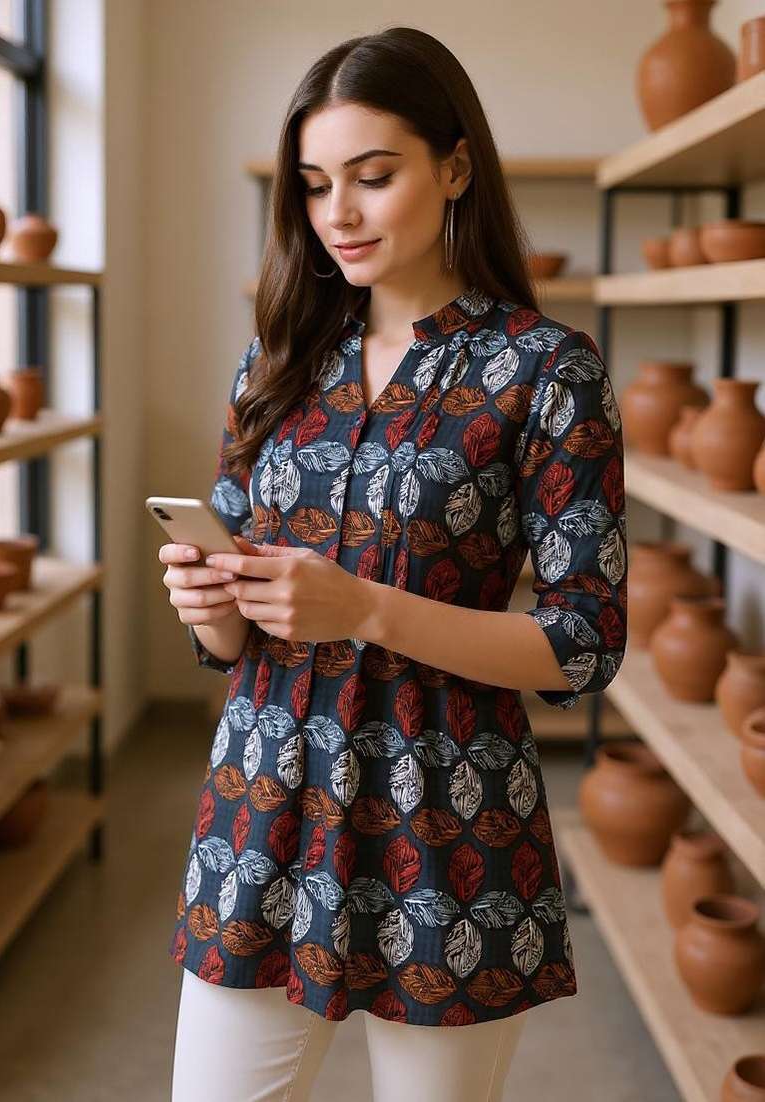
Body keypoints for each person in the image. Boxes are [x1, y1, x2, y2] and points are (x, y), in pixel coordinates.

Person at [162, 24, 628, 1102]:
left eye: (372, 177)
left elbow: (581, 644)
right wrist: (207, 602)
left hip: (449, 831)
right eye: (317, 184)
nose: (339, 213)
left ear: (454, 166)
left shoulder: (544, 372)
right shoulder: (275, 359)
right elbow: (230, 632)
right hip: (261, 815)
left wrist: (364, 606)